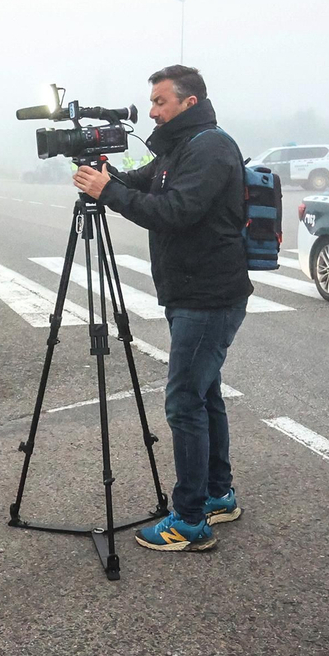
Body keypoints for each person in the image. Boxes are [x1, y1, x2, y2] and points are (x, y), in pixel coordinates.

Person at [71, 65, 251, 553]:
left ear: (188, 103)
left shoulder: (209, 147)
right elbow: (142, 183)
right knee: (204, 394)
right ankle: (218, 494)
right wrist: (103, 174)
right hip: (190, 292)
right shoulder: (177, 147)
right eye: (150, 102)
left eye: (160, 102)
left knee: (183, 403)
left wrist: (106, 193)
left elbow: (176, 211)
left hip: (208, 296)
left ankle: (190, 521)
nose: (151, 110)